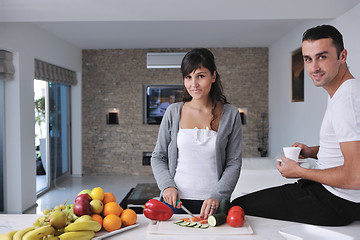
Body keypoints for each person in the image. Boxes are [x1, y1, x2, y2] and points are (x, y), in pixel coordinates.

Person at [230, 25, 360, 226]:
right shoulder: (343, 92)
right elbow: (347, 149)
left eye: (322, 57)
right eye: (308, 59)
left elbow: (356, 176)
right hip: (330, 193)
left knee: (237, 208)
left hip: (335, 201)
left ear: (342, 56)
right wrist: (312, 152)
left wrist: (300, 172)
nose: (313, 67)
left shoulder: (347, 101)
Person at [151, 48, 242, 219]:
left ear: (213, 76)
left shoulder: (231, 114)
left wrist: (217, 196)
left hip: (213, 205)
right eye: (188, 77)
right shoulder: (172, 112)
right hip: (175, 203)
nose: (194, 84)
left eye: (200, 76)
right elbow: (158, 156)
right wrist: (167, 186)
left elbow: (234, 163)